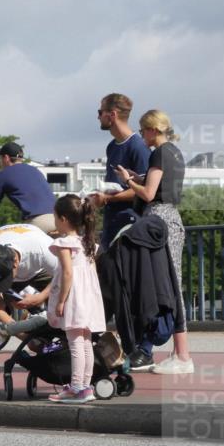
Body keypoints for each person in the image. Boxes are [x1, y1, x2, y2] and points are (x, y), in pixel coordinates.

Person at [116, 108, 193, 374]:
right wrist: (137, 178)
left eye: (142, 130)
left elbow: (149, 194)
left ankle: (182, 356)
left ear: (152, 129)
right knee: (172, 284)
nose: (141, 135)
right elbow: (160, 185)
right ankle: (176, 352)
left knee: (167, 286)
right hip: (172, 218)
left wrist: (129, 181)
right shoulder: (174, 152)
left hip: (159, 221)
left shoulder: (158, 153)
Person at [88, 93, 152, 369]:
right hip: (111, 226)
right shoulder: (112, 147)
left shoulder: (137, 147)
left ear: (112, 114)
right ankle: (107, 346)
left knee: (125, 290)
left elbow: (143, 191)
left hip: (129, 227)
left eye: (100, 111)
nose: (98, 116)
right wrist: (102, 197)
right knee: (107, 289)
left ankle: (138, 348)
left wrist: (108, 198)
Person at [0, 223, 58, 396]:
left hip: (41, 269)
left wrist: (41, 297)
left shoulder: (42, 249)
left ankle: (65, 355)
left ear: (16, 263)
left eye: (4, 279)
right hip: (7, 255)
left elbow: (66, 275)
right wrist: (21, 333)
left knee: (64, 299)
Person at [45, 195, 106, 403]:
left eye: (55, 217)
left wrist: (61, 301)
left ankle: (77, 387)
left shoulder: (64, 244)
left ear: (63, 219)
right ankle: (85, 386)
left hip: (74, 297)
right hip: (88, 297)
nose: (54, 221)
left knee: (75, 343)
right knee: (86, 342)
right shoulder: (87, 242)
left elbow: (68, 273)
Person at [0, 141, 56, 245]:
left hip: (38, 224)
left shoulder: (3, 176)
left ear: (6, 158)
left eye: (0, 159)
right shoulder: (36, 171)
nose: (0, 163)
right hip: (60, 219)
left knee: (10, 249)